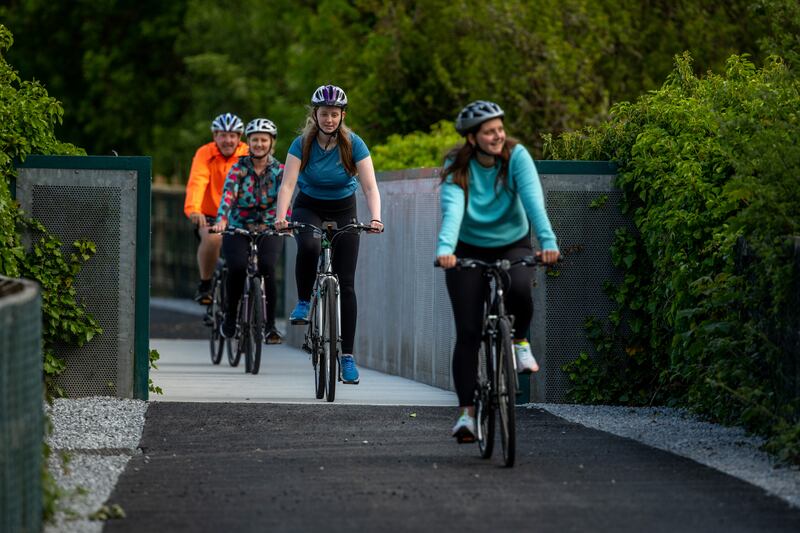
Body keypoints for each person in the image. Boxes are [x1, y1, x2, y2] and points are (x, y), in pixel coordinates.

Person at [436, 100, 560, 443]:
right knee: (469, 332)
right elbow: (453, 210)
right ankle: (467, 415)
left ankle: (519, 341)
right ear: (473, 139)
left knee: (520, 287)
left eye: (500, 129)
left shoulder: (516, 157)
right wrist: (446, 250)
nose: (498, 136)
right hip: (467, 247)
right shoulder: (458, 165)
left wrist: (547, 242)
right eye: (489, 132)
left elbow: (534, 200)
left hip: (512, 242)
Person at [274, 84, 384, 385]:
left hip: (343, 208)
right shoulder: (302, 144)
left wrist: (375, 218)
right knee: (308, 245)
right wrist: (281, 217)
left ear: (342, 115)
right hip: (308, 206)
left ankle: (346, 357)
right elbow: (287, 185)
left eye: (335, 114)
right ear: (316, 114)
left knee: (346, 284)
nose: (329, 120)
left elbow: (370, 186)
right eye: (324, 114)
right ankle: (303, 301)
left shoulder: (354, 144)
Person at [210, 118, 285, 344]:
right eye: (255, 140)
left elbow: (286, 199)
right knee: (238, 267)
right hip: (238, 226)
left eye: (264, 140)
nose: (259, 144)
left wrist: (285, 221)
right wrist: (222, 220)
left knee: (268, 267)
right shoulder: (238, 169)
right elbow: (228, 197)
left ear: (272, 143)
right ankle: (230, 317)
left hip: (269, 226)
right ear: (248, 143)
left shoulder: (280, 170)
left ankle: (270, 326)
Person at [184, 113, 249, 305]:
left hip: (240, 216)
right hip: (210, 214)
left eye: (232, 135)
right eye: (222, 135)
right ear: (215, 136)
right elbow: (198, 181)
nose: (227, 140)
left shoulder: (248, 153)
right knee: (212, 239)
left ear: (239, 137)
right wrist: (194, 209)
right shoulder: (205, 153)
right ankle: (205, 284)